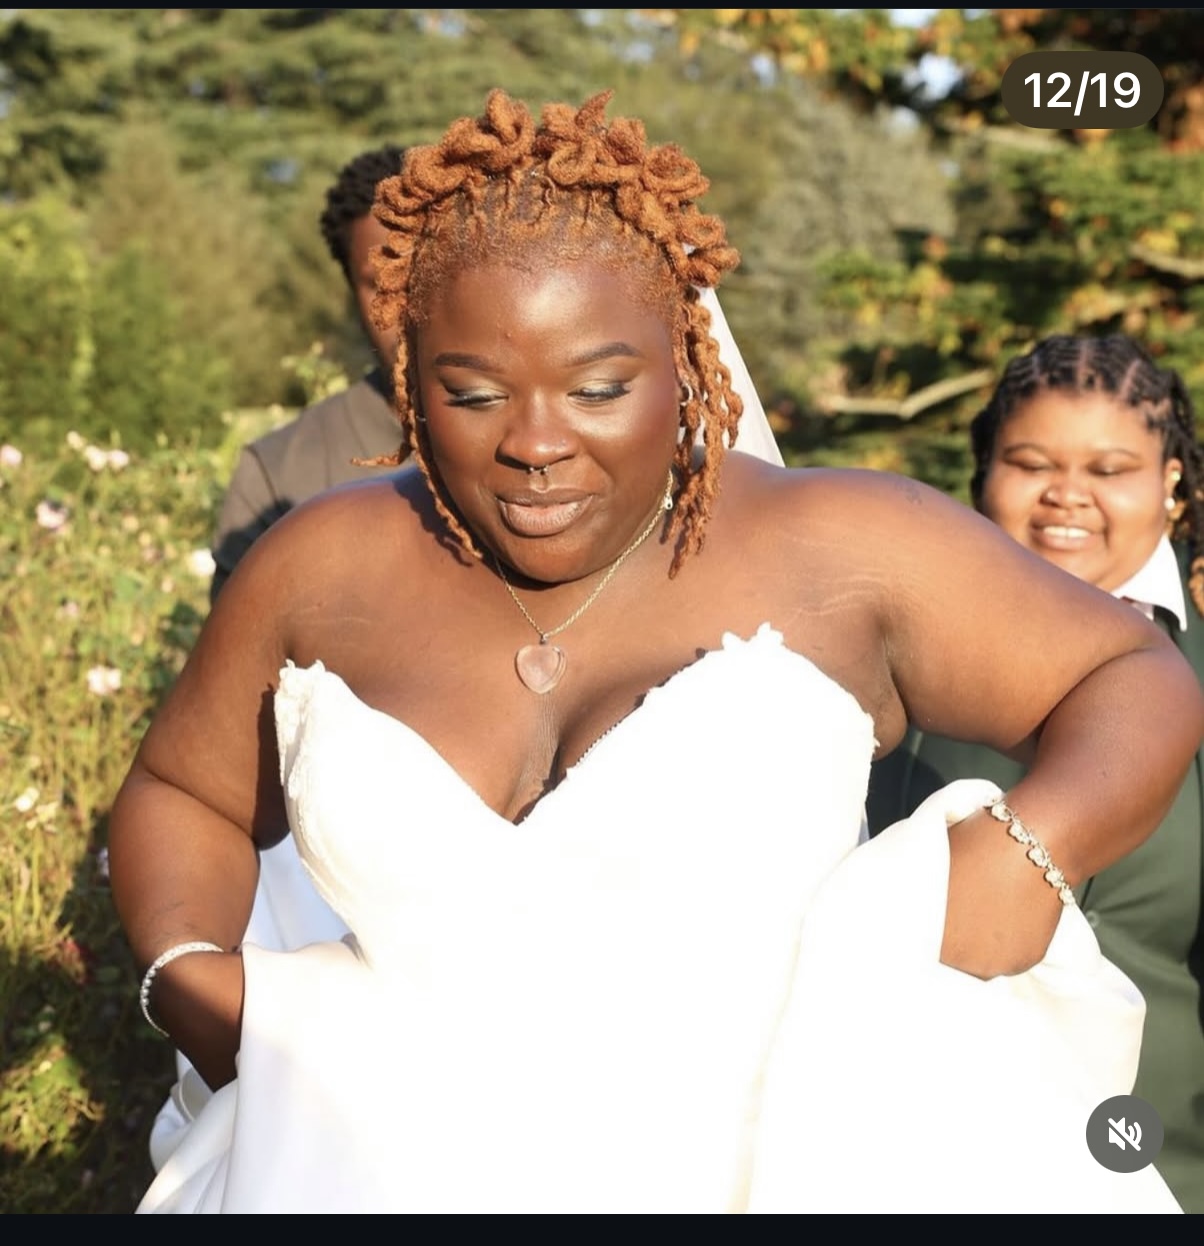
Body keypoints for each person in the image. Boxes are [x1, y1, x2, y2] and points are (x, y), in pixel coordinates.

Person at [108, 89, 1203, 1213]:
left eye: (598, 388)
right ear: (408, 375)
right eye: (473, 393)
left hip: (791, 1159)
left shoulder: (839, 542)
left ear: (683, 358)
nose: (536, 443)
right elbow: (184, 787)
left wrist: (1035, 842)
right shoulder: (326, 561)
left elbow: (1127, 672)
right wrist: (187, 977)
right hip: (363, 1162)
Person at [866, 333, 1204, 1212]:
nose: (1067, 495)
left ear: (1171, 480)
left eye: (1111, 468)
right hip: (909, 1159)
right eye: (1031, 462)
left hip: (1160, 1168)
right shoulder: (882, 658)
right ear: (984, 471)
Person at [209, 145, 410, 603]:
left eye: (426, 270)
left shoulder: (541, 445)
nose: (410, 302)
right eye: (381, 283)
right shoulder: (279, 474)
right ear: (350, 293)